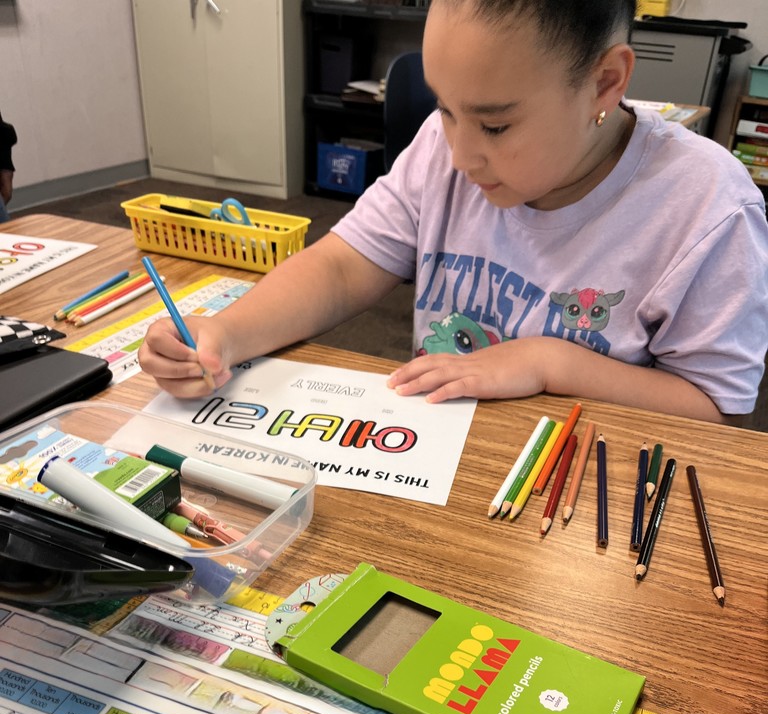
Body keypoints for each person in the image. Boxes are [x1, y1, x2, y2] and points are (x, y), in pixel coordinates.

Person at [139, 0, 768, 425]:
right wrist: (229, 333)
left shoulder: (707, 206)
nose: (461, 152)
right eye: (443, 107)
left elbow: (714, 406)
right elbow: (339, 268)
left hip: (577, 494)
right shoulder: (442, 150)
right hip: (425, 453)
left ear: (605, 83)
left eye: (495, 124)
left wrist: (550, 362)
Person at [0, 111, 17, 223]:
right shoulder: (6, 129)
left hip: (5, 166)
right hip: (6, 167)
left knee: (6, 194)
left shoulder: (6, 130)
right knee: (6, 193)